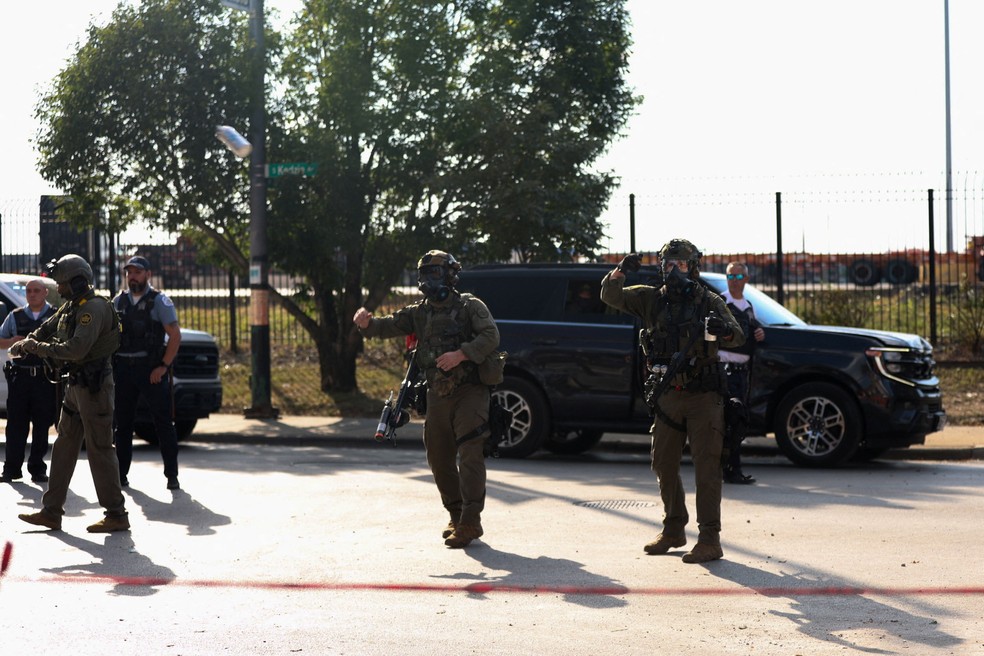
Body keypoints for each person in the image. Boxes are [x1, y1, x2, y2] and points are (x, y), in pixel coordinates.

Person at [600, 239, 744, 563]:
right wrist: (620, 272)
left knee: (707, 467)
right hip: (668, 394)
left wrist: (723, 330)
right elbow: (610, 296)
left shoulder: (708, 300)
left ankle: (709, 539)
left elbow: (738, 334)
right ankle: (674, 528)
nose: (673, 271)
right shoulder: (651, 299)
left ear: (692, 268)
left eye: (679, 265)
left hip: (704, 396)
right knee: (663, 462)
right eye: (668, 264)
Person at [353, 250, 500, 549]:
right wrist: (366, 323)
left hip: (469, 391)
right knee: (438, 457)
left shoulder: (470, 305)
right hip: (437, 394)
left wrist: (461, 354)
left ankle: (471, 521)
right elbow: (388, 325)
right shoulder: (419, 312)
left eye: (434, 274)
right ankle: (456, 514)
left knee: (471, 453)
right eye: (424, 275)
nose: (428, 281)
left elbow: (490, 336)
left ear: (449, 275)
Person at [14, 254, 129, 533]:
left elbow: (77, 349)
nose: (58, 287)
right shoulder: (71, 306)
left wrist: (37, 349)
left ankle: (116, 514)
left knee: (100, 449)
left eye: (62, 283)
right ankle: (51, 511)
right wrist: (29, 341)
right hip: (76, 386)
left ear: (76, 282)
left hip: (95, 388)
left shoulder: (93, 309)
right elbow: (48, 327)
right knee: (64, 445)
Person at [112, 256, 182, 490]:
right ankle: (121, 475)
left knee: (163, 423)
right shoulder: (118, 302)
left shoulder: (159, 301)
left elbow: (175, 335)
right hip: (123, 370)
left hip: (150, 370)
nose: (133, 276)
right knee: (122, 425)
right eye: (129, 272)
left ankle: (171, 475)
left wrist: (163, 366)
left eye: (138, 272)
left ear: (148, 275)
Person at [0, 280, 58, 484]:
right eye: (28, 291)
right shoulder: (15, 316)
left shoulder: (56, 316)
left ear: (45, 292)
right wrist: (12, 342)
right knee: (15, 425)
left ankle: (37, 468)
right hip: (20, 377)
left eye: (36, 291)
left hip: (45, 378)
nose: (32, 294)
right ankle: (11, 469)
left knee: (42, 425)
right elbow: (0, 340)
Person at [719, 262, 766, 485]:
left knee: (738, 422)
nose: (734, 280)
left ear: (746, 279)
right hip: (724, 371)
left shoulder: (748, 306)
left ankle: (733, 468)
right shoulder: (721, 302)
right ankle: (729, 469)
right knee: (729, 421)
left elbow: (752, 332)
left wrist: (759, 333)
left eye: (738, 276)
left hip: (742, 374)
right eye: (730, 276)